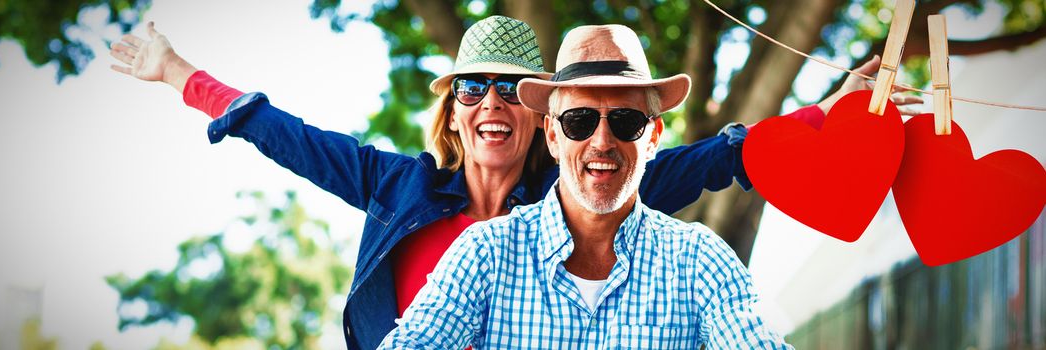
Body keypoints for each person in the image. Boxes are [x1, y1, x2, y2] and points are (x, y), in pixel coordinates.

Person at [109, 15, 918, 349]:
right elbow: (280, 133)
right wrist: (179, 71)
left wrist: (827, 115)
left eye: (508, 89)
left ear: (536, 117)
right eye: (472, 88)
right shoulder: (396, 189)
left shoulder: (588, 185)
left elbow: (725, 155)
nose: (490, 101)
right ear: (454, 112)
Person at [380, 24, 792, 349]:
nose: (601, 141)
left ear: (652, 136)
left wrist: (826, 114)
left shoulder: (698, 260)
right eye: (579, 120)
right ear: (554, 136)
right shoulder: (486, 252)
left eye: (626, 121)